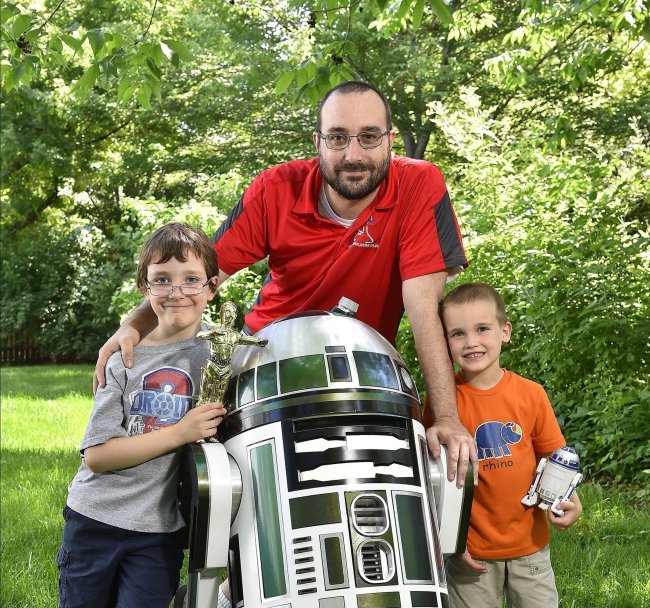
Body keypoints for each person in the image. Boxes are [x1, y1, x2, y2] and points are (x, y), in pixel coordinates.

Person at [94, 81, 478, 487]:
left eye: (368, 137)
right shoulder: (275, 189)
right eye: (337, 138)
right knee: (253, 493)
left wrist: (447, 419)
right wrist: (132, 327)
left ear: (389, 140)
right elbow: (198, 277)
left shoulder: (419, 185)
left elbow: (423, 309)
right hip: (267, 363)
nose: (353, 154)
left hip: (360, 369)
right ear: (318, 141)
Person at [57, 223, 227, 608]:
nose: (176, 291)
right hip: (96, 517)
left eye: (189, 279)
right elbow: (99, 456)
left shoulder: (220, 354)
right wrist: (178, 431)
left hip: (158, 527)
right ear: (144, 286)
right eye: (161, 280)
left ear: (211, 286)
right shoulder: (123, 357)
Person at [439, 282, 593, 608]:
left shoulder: (529, 395)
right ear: (443, 341)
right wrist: (450, 541)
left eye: (482, 328)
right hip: (473, 550)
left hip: (528, 542)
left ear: (504, 331)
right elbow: (435, 482)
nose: (471, 342)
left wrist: (573, 502)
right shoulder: (444, 403)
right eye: (457, 333)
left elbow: (556, 458)